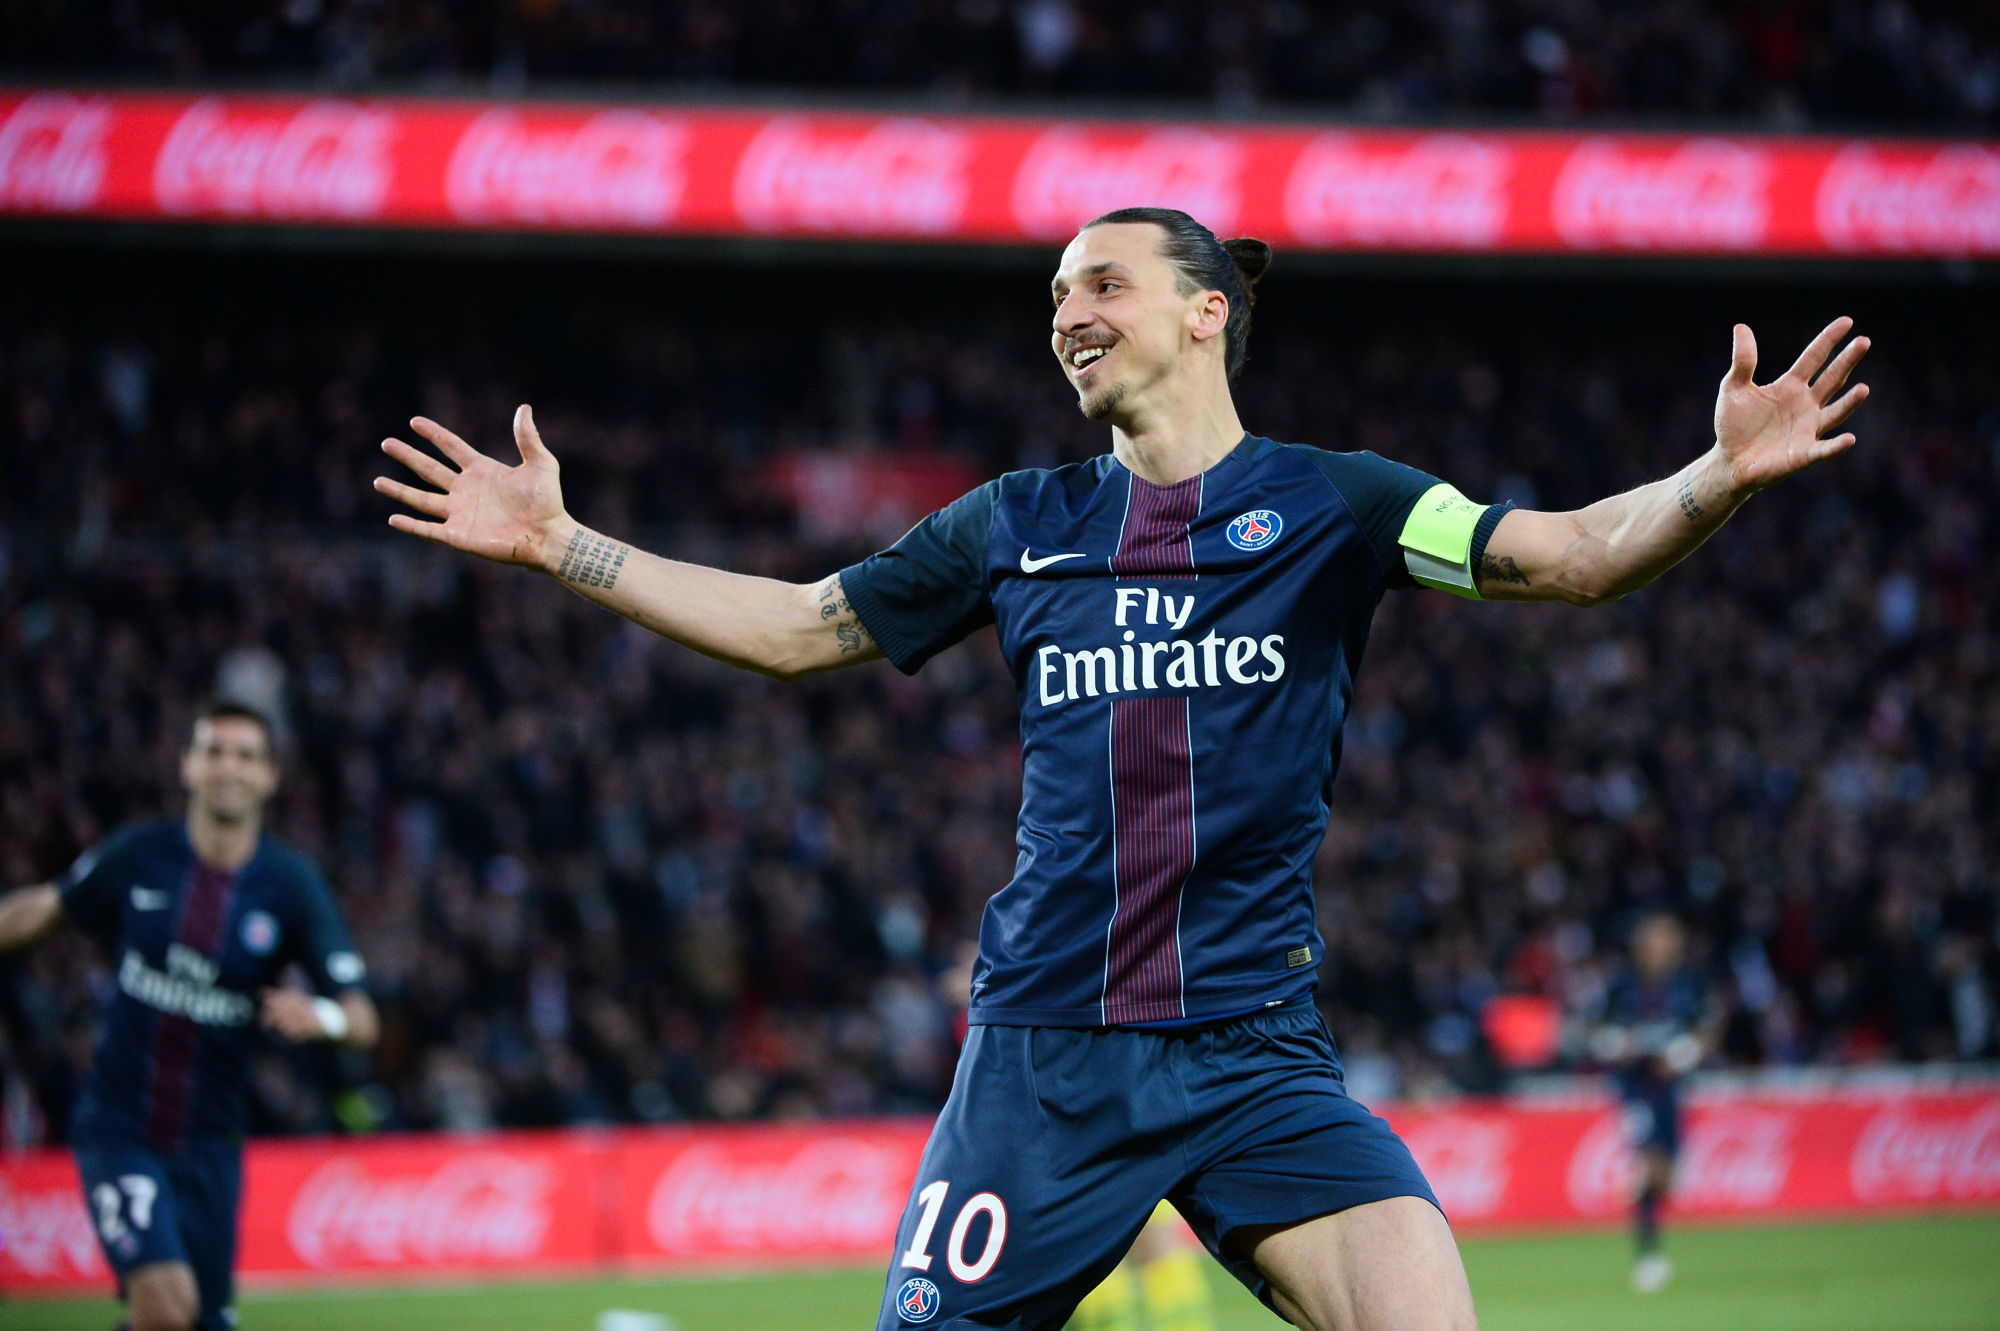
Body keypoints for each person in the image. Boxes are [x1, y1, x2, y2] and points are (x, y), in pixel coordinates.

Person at [373, 206, 1870, 1330]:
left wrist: (1713, 475)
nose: (1067, 315)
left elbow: (1573, 558)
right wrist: (562, 543)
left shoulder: (1340, 506)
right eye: (1052, 298)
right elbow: (794, 628)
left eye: (1102, 283)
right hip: (1046, 1058)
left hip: (1255, 1052)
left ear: (1207, 309)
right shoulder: (1013, 521)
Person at [0, 701, 379, 1331]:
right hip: (120, 1127)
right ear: (188, 766)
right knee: (167, 1305)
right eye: (214, 751)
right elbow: (43, 909)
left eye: (246, 755)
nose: (228, 766)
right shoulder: (139, 855)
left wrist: (321, 1017)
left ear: (269, 778)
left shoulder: (290, 886)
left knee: (196, 1323)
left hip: (212, 1145)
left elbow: (362, 1018)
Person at [1591, 912, 1718, 1294]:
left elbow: (1708, 1030)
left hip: (1672, 1089)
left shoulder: (1689, 985)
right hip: (1634, 1087)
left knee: (1667, 1175)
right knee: (1648, 1162)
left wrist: (1684, 1053)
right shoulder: (1622, 986)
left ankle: (1644, 1190)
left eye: (1670, 940)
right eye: (1658, 940)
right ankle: (1648, 1254)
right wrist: (1620, 1045)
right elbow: (1601, 1033)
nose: (1664, 948)